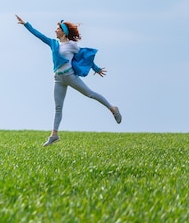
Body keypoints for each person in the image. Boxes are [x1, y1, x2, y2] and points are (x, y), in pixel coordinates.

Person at [15, 15, 121, 146]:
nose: (55, 30)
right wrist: (26, 24)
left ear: (64, 32)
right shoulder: (53, 43)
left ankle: (112, 109)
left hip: (70, 76)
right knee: (58, 107)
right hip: (58, 79)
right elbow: (38, 35)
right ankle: (54, 135)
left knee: (90, 93)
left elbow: (86, 57)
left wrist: (97, 68)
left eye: (58, 28)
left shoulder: (72, 45)